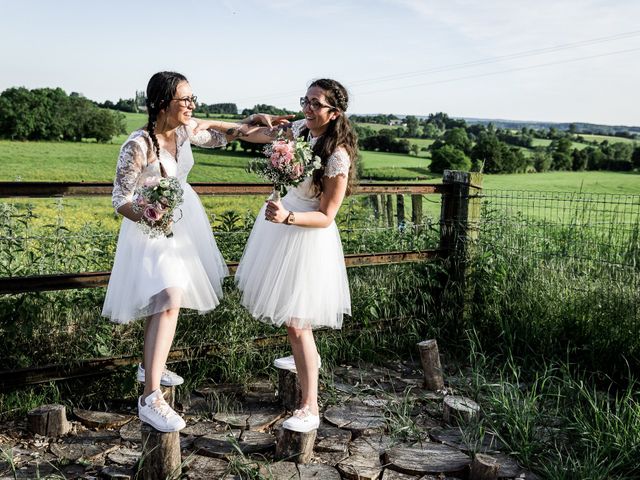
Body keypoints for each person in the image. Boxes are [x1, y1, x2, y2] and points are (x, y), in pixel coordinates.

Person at [101, 71, 271, 432]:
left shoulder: (183, 132)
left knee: (166, 301)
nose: (192, 105)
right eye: (185, 100)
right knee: (170, 296)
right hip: (150, 229)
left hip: (184, 224)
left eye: (194, 99)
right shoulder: (137, 145)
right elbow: (120, 199)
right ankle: (150, 398)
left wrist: (268, 126)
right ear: (162, 102)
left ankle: (151, 368)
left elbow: (227, 135)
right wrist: (151, 216)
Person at [196, 78, 358, 432]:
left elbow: (328, 215)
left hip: (305, 235)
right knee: (291, 319)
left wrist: (288, 217)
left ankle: (310, 406)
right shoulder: (299, 129)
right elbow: (255, 133)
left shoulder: (337, 156)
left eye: (316, 104)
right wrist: (214, 124)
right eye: (306, 101)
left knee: (299, 323)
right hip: (278, 227)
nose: (308, 108)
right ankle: (305, 367)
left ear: (334, 113)